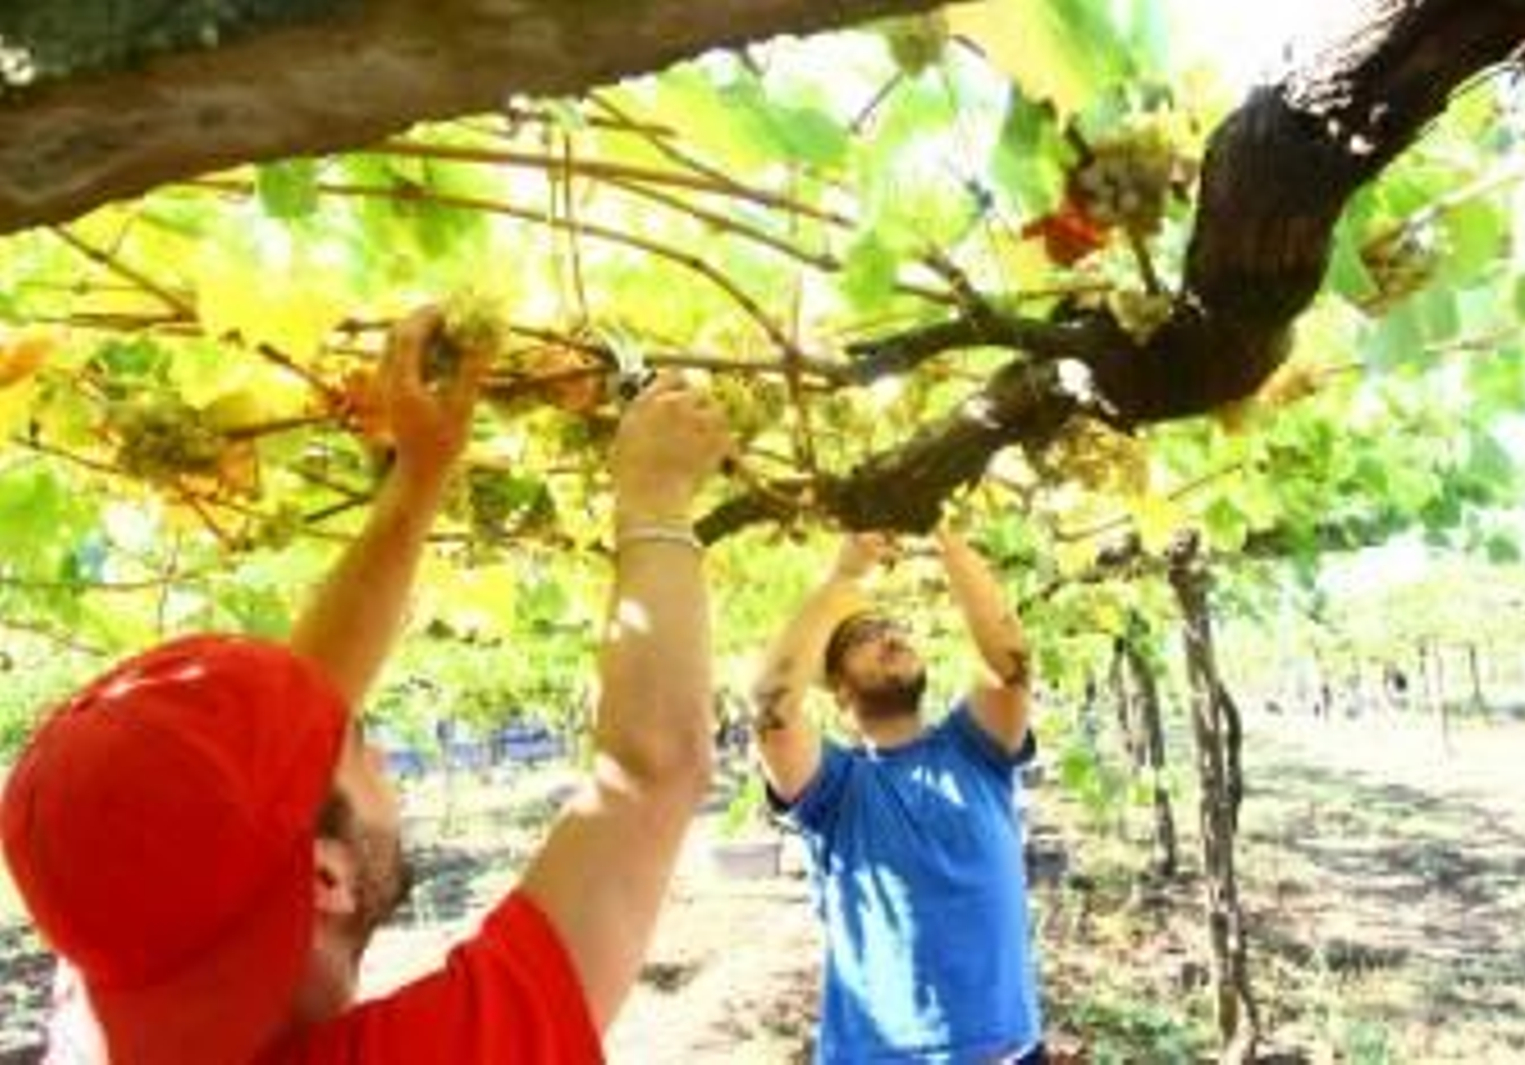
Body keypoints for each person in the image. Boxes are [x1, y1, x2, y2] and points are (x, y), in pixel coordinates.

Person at [1, 306, 732, 1063]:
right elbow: (652, 769)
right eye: (359, 741)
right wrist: (655, 500)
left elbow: (265, 749)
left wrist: (420, 477)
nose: (376, 744)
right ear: (324, 873)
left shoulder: (122, 974)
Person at [753, 529, 1045, 1064]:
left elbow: (1013, 666)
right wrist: (843, 579)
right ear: (840, 690)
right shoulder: (835, 790)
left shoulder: (974, 749)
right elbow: (773, 712)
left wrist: (952, 544)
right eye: (865, 637)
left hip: (1008, 1053)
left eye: (893, 627)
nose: (889, 636)